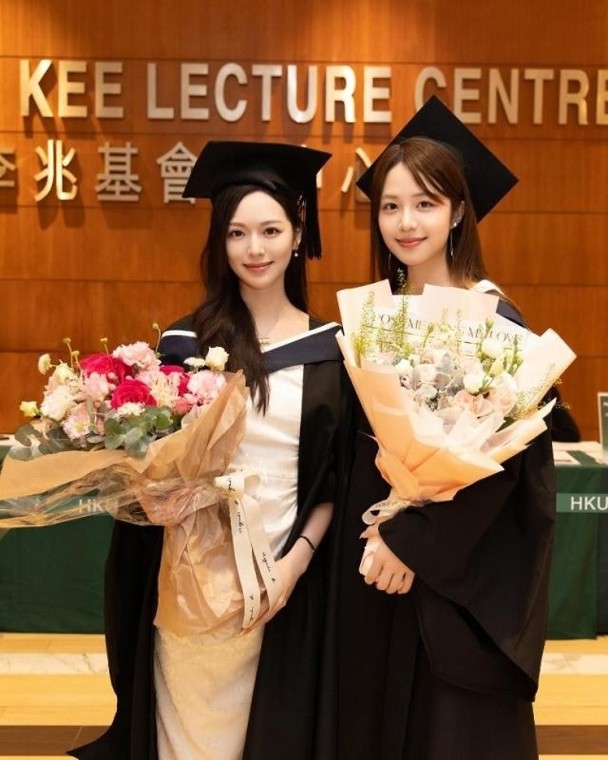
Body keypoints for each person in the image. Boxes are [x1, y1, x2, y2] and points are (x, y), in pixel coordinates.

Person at [70, 140, 349, 760]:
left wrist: (292, 568)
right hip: (193, 589)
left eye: (271, 230)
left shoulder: (332, 351)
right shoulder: (183, 345)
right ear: (219, 242)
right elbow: (152, 465)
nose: (255, 249)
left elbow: (334, 481)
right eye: (237, 233)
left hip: (287, 589)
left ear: (298, 234)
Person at [318, 97, 556, 759]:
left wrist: (410, 544)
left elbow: (502, 469)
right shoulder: (375, 320)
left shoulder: (494, 322)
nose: (405, 222)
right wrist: (378, 536)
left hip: (453, 593)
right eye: (390, 205)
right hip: (375, 575)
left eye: (425, 203)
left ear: (457, 213)